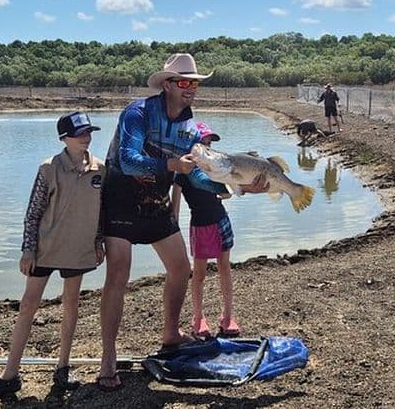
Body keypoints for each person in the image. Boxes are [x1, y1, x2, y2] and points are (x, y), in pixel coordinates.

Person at [97, 54, 268, 391]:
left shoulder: (191, 128)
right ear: (168, 85)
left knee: (180, 269)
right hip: (120, 200)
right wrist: (173, 164)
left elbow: (198, 179)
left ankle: (171, 333)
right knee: (118, 275)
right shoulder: (138, 113)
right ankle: (108, 357)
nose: (192, 89)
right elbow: (130, 162)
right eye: (186, 82)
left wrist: (238, 187)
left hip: (156, 203)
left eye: (196, 83)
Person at [0, 112, 105, 399]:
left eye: (89, 131)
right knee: (27, 306)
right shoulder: (48, 168)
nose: (87, 136)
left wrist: (98, 242)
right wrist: (28, 249)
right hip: (45, 248)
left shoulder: (100, 170)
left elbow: (101, 214)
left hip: (79, 249)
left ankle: (63, 368)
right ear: (64, 138)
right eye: (80, 132)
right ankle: (10, 375)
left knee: (71, 305)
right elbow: (33, 213)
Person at [171, 121, 241, 338]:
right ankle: (198, 316)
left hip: (221, 220)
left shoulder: (214, 170)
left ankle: (228, 316)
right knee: (199, 274)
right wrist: (172, 232)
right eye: (205, 143)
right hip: (200, 225)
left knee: (224, 268)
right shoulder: (183, 172)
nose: (208, 147)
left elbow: (228, 192)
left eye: (210, 144)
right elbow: (175, 204)